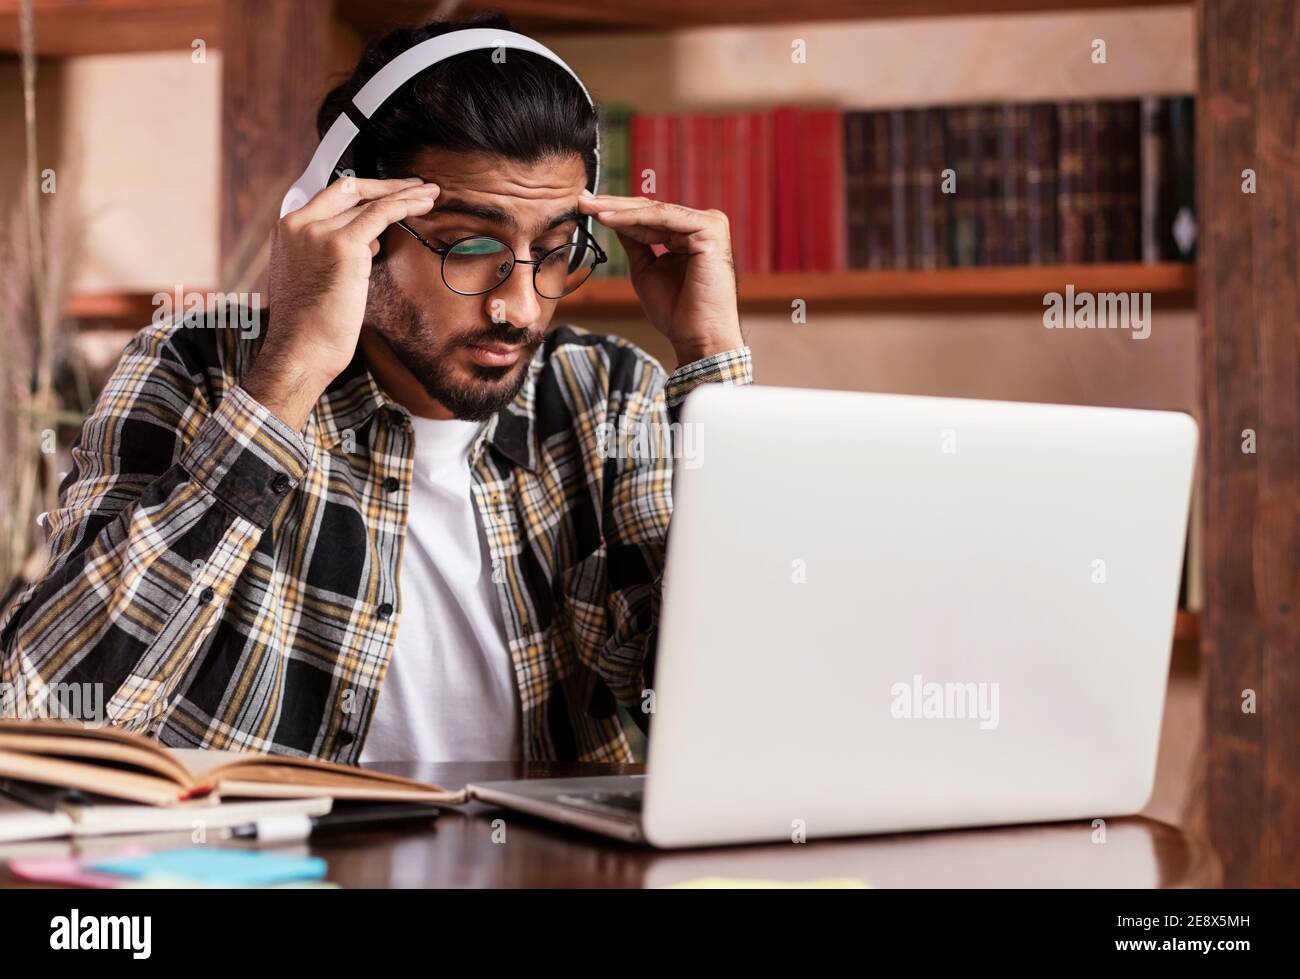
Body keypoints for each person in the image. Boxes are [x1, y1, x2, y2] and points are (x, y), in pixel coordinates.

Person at [0, 12, 751, 764]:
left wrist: (710, 358)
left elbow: (735, 712)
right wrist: (286, 379)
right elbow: (42, 710)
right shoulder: (196, 369)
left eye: (554, 251)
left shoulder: (610, 397)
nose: (519, 307)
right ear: (351, 218)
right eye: (471, 246)